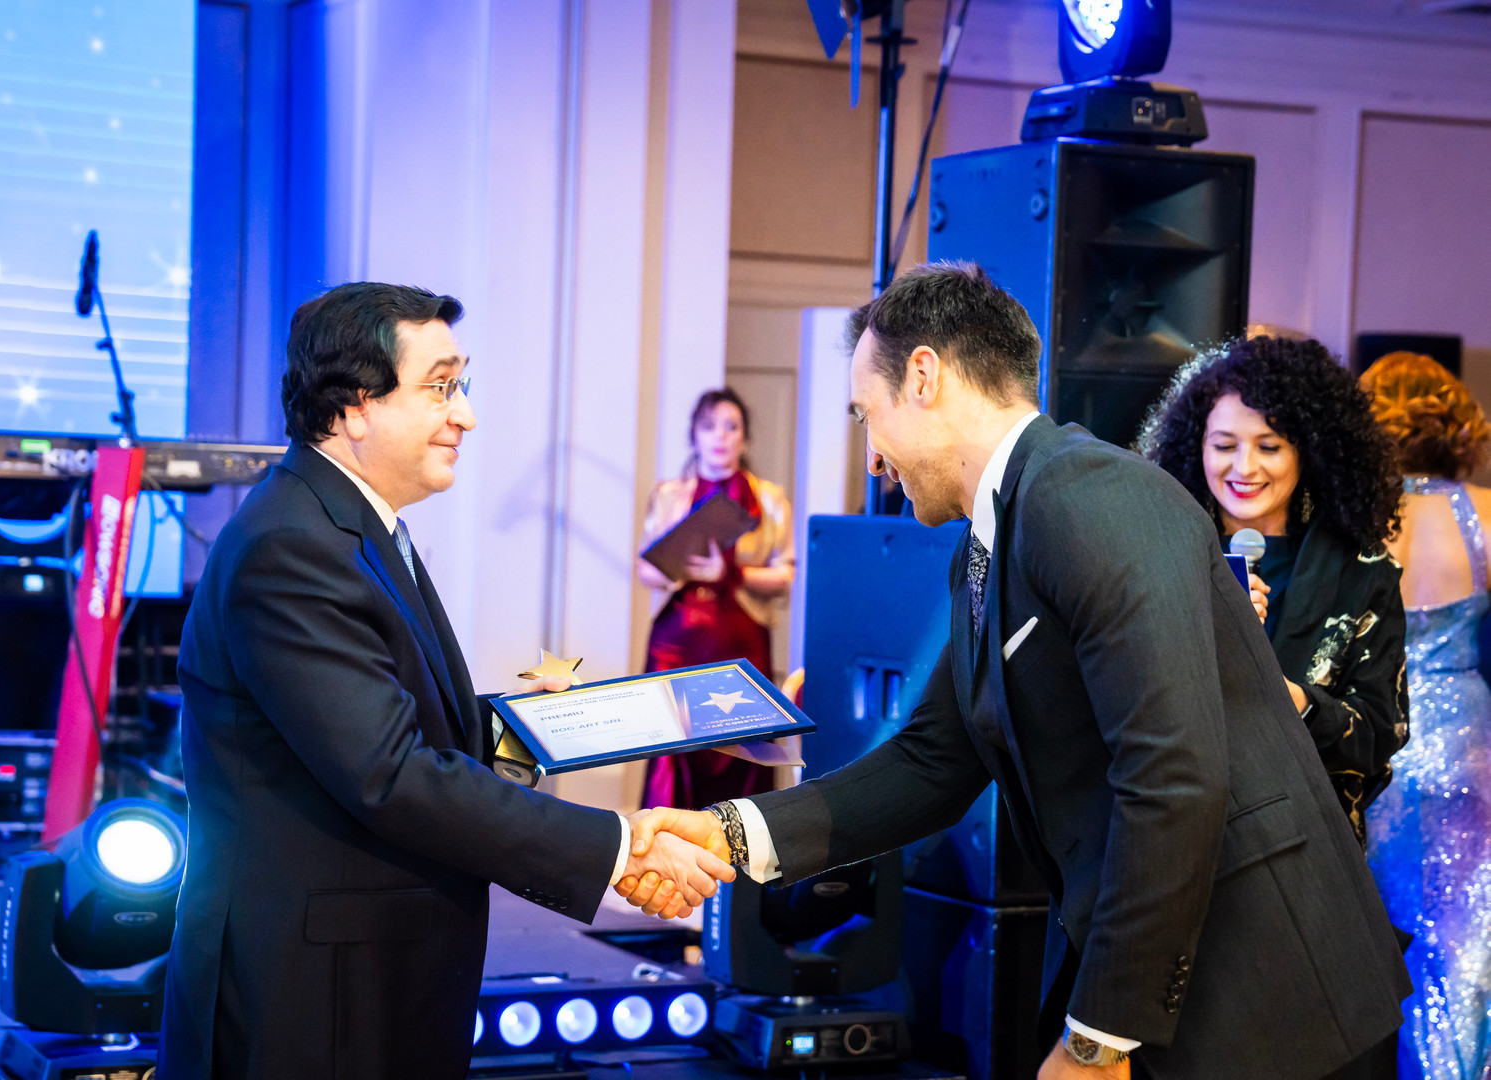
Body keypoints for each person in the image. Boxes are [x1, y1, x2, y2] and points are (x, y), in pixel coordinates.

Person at [624, 263, 1410, 1080]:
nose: (873, 458)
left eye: (867, 415)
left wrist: (1098, 1038)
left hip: (1270, 997)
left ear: (923, 377)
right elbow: (931, 760)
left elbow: (1174, 777)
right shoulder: (986, 543)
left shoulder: (1092, 494)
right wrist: (727, 832)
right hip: (1177, 984)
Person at [158, 283, 733, 1080]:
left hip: (364, 973)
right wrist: (615, 848)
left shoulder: (351, 526)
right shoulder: (291, 547)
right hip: (312, 994)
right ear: (356, 407)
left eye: (461, 385)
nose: (465, 414)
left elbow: (391, 730)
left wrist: (527, 730)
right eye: (440, 387)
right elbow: (390, 776)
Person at [1141, 336, 1408, 847]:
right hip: (1176, 838)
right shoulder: (1154, 550)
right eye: (1224, 446)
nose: (1244, 468)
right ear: (1196, 446)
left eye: (1269, 447)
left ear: (1308, 452)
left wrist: (1296, 701)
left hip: (1308, 849)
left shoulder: (1362, 572)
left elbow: (1381, 732)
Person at [1361, 351, 1491, 1080]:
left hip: (1379, 737)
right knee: (1459, 948)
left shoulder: (1356, 518)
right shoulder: (1483, 511)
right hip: (1466, 739)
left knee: (1377, 940)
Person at [636, 387, 794, 809]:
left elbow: (785, 576)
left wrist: (731, 574)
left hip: (741, 643)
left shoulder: (769, 499)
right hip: (676, 645)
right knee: (672, 754)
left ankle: (743, 848)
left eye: (731, 426)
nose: (720, 436)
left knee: (747, 752)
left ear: (745, 438)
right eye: (709, 426)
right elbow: (645, 569)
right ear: (694, 435)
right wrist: (680, 564)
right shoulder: (669, 495)